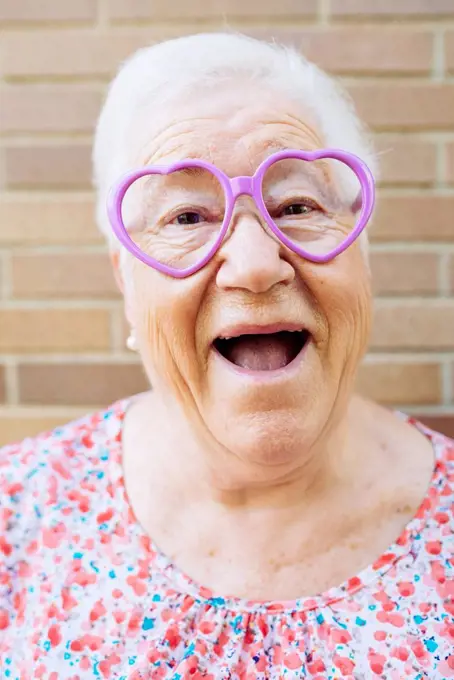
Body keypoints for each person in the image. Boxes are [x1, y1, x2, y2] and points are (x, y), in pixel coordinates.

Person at [0, 32, 452, 680]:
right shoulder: (17, 517)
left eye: (297, 205)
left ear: (364, 258)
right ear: (126, 282)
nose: (254, 265)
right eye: (186, 217)